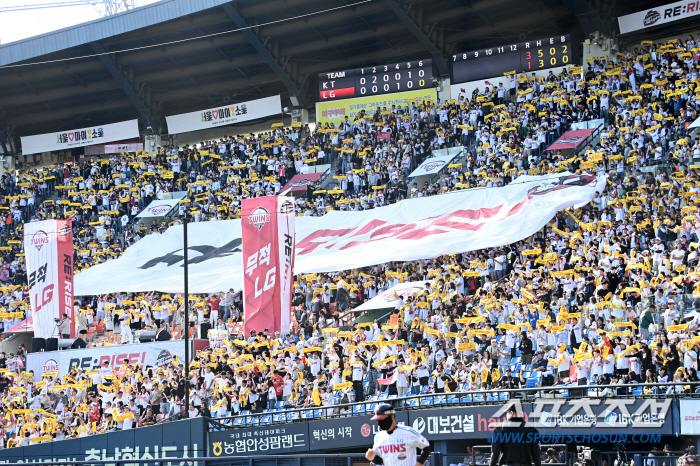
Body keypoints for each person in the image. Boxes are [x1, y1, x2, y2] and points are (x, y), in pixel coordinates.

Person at [365, 404, 432, 466]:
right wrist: (372, 458)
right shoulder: (378, 437)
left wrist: (419, 463)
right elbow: (381, 461)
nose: (380, 422)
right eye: (379, 420)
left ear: (392, 417)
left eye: (383, 419)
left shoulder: (407, 432)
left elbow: (426, 447)